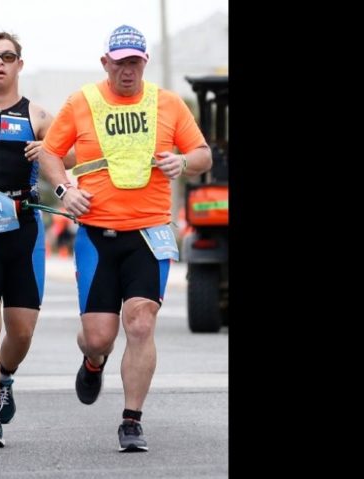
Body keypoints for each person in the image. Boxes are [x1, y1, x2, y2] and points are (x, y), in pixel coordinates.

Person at [39, 25, 212, 452]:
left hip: (149, 233)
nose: (127, 70)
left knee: (139, 322)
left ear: (144, 63)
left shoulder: (167, 104)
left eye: (135, 61)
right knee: (99, 336)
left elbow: (204, 154)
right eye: (120, 62)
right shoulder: (82, 101)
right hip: (98, 235)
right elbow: (49, 152)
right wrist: (65, 190)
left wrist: (183, 161)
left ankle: (131, 420)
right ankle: (93, 361)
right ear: (106, 63)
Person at [0, 32, 74, 449]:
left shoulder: (39, 116)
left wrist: (48, 150)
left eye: (8, 57)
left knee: (20, 332)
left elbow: (68, 156)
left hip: (24, 230)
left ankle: (4, 376)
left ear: (20, 64)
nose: (0, 63)